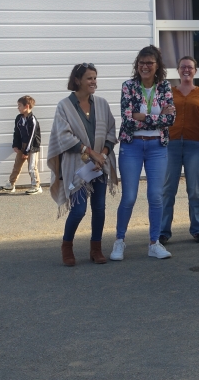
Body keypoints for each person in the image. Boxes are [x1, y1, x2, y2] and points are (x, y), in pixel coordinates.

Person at [47, 63, 118, 267]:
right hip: (77, 167)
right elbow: (63, 136)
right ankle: (67, 247)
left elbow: (111, 131)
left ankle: (96, 249)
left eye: (95, 78)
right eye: (89, 78)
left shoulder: (102, 104)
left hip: (100, 166)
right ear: (77, 80)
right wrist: (91, 153)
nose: (93, 81)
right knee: (78, 210)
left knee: (100, 208)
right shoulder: (64, 106)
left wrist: (102, 155)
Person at [110, 46, 176, 262]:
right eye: (141, 63)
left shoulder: (164, 87)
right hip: (132, 146)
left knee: (155, 196)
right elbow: (128, 119)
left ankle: (154, 243)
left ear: (157, 66)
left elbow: (170, 119)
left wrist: (143, 116)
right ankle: (119, 240)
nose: (145, 66)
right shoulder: (128, 86)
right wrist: (156, 117)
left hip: (157, 147)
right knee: (129, 197)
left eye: (149, 63)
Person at [160, 56, 199, 244]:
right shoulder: (169, 92)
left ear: (195, 71)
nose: (186, 70)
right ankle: (163, 231)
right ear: (178, 70)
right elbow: (161, 115)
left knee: (195, 190)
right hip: (171, 145)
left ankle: (197, 229)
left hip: (196, 146)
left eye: (190, 67)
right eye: (183, 67)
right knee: (168, 190)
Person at [3, 95, 42, 195]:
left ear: (27, 106)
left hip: (32, 147)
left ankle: (36, 186)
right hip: (22, 146)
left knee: (32, 167)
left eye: (20, 105)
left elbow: (32, 137)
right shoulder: (19, 118)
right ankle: (11, 184)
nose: (18, 108)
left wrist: (26, 152)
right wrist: (15, 145)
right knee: (17, 165)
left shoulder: (32, 120)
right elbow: (16, 132)